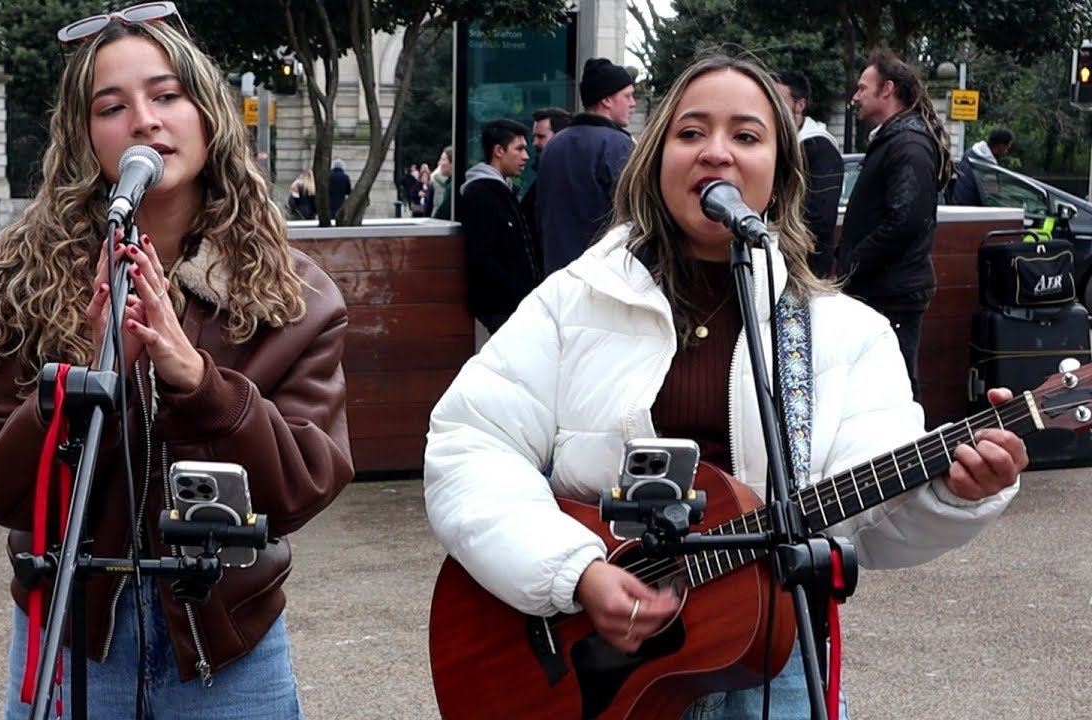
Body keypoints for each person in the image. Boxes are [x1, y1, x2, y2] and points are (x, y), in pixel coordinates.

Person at [425, 53, 1023, 719]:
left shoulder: (846, 333)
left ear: (780, 170)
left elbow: (874, 527)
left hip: (776, 656)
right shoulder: (573, 304)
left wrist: (958, 493)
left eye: (745, 135)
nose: (716, 154)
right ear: (655, 158)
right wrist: (573, 573)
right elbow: (470, 446)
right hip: (588, 664)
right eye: (690, 133)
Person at [0, 7, 353, 719]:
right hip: (72, 636)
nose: (144, 120)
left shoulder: (296, 293)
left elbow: (304, 485)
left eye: (167, 95)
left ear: (209, 112)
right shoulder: (25, 278)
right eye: (113, 106)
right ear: (84, 135)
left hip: (228, 646)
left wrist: (197, 380)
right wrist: (86, 375)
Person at [838, 49, 953, 401]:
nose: (855, 97)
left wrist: (851, 262)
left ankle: (915, 454)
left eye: (862, 88)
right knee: (883, 383)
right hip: (884, 286)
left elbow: (907, 220)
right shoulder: (896, 139)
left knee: (897, 385)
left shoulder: (908, 143)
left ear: (887, 89)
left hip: (892, 291)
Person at [535, 58, 636, 274]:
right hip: (603, 277)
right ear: (607, 100)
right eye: (627, 96)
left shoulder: (554, 146)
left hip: (556, 276)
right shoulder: (619, 145)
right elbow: (633, 216)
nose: (633, 103)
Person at [459, 118, 541, 334]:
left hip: (514, 305)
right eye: (520, 148)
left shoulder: (503, 190)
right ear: (498, 151)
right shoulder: (480, 194)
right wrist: (518, 293)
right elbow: (481, 257)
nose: (526, 156)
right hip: (503, 308)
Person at [774, 69, 844, 278]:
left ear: (800, 105)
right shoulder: (779, 143)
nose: (772, 105)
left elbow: (820, 218)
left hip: (804, 267)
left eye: (779, 98)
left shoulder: (820, 147)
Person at [520, 107, 573, 248]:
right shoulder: (544, 177)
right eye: (535, 137)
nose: (535, 143)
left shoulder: (566, 180)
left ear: (560, 137)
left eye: (541, 137)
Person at [949, 127, 1014, 206]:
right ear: (1000, 145)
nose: (1006, 151)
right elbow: (991, 196)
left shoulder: (969, 153)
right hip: (972, 212)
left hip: (958, 206)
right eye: (1006, 148)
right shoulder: (987, 168)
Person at [431, 146, 453, 220]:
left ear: (452, 163)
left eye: (443, 159)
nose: (439, 163)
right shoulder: (434, 183)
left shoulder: (452, 187)